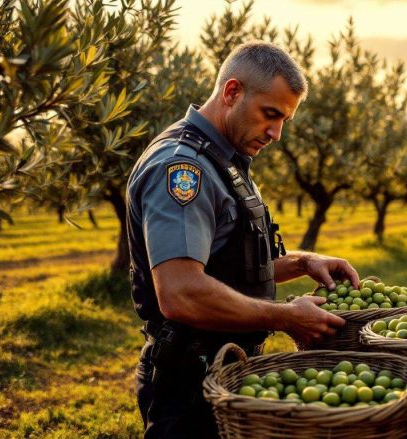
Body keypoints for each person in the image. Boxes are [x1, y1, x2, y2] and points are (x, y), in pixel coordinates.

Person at [127, 41, 357, 438]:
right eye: (270, 115)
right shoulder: (183, 169)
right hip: (189, 384)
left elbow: (228, 265)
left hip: (227, 370)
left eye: (284, 119)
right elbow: (181, 292)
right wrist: (286, 316)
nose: (276, 133)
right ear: (232, 92)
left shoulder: (225, 161)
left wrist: (303, 263)